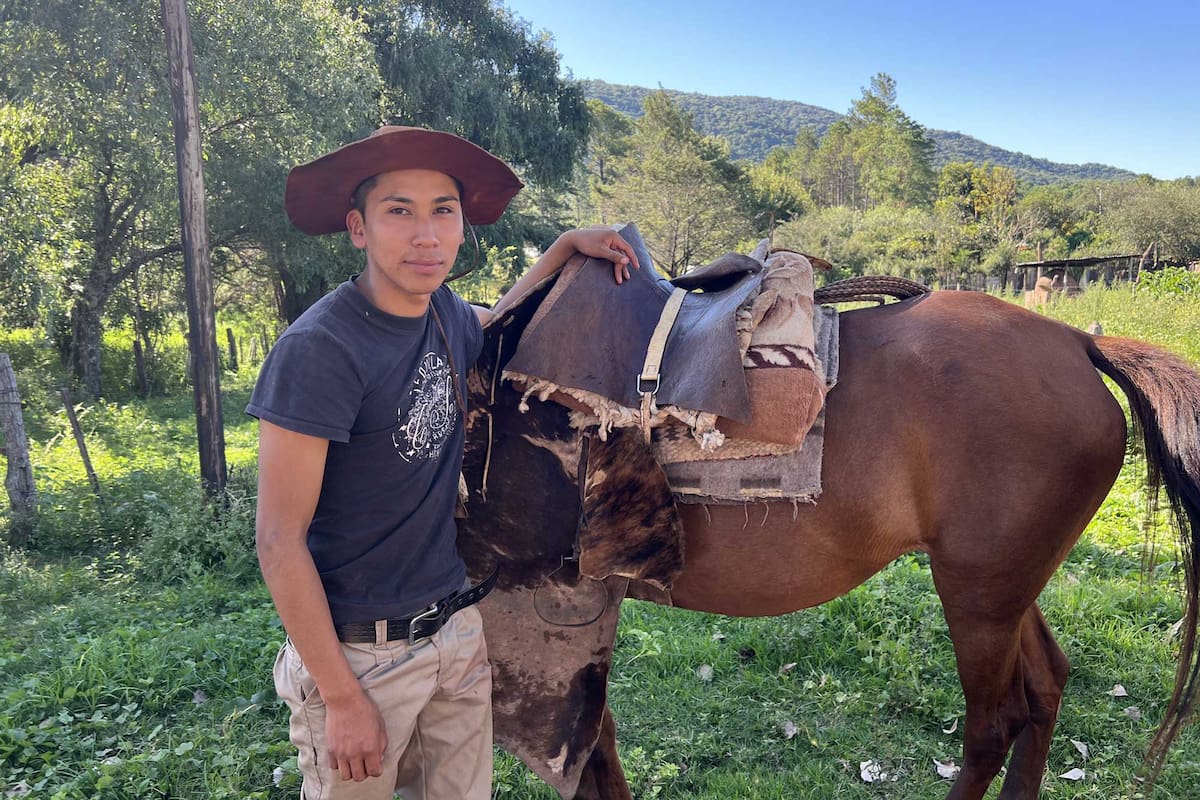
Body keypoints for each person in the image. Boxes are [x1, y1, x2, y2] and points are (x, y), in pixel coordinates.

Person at [249, 125, 639, 800]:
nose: (425, 236)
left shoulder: (444, 316)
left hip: (455, 634)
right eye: (399, 211)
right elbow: (278, 540)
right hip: (360, 653)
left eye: (443, 211)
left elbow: (500, 317)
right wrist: (342, 700)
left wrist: (562, 249)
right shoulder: (320, 350)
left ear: (462, 228)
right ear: (358, 228)